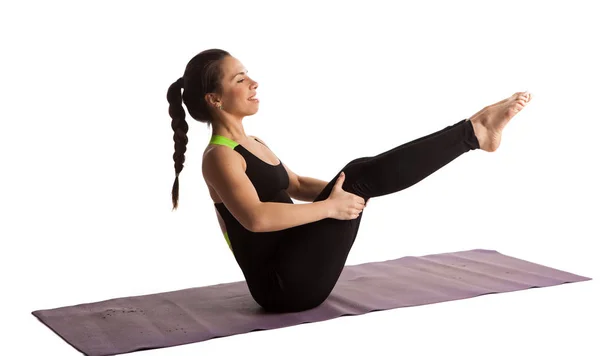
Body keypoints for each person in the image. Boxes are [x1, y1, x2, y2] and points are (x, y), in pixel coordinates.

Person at [166, 48, 533, 313]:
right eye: (240, 78)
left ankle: (474, 133)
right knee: (357, 175)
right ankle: (474, 133)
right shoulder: (219, 157)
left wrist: (350, 189)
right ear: (214, 99)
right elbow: (256, 218)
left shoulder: (252, 143)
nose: (254, 82)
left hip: (295, 259)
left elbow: (294, 185)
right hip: (282, 288)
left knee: (355, 174)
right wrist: (334, 204)